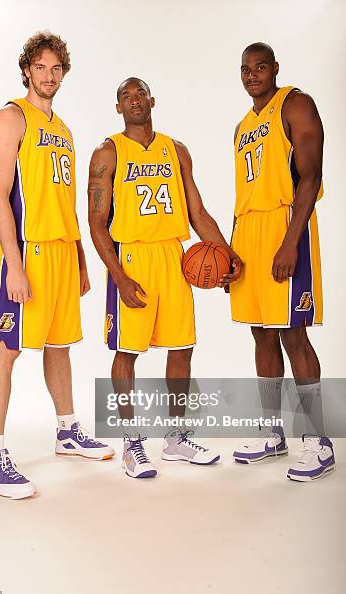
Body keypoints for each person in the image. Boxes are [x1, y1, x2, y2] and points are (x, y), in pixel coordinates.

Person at [0, 31, 114, 500]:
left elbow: (67, 203)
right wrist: (14, 266)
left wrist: (78, 258)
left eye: (57, 68)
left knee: (60, 346)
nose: (49, 75)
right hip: (28, 251)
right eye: (41, 67)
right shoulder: (12, 117)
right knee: (7, 346)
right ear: (27, 70)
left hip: (61, 251)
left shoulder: (64, 130)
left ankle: (67, 431)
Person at [88, 77, 242, 478]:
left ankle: (175, 438)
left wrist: (226, 254)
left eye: (140, 93)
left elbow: (198, 213)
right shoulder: (107, 152)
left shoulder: (177, 150)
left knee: (182, 348)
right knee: (127, 352)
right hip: (133, 257)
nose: (135, 100)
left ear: (152, 100)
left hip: (173, 255)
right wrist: (119, 277)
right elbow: (96, 222)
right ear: (118, 107)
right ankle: (131, 442)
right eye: (126, 95)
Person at [227, 42, 335, 481]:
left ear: (275, 69)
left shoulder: (296, 103)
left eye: (260, 67)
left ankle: (318, 440)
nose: (252, 74)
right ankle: (272, 433)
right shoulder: (242, 126)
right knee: (262, 336)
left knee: (293, 334)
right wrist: (233, 251)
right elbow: (245, 194)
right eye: (246, 69)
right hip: (249, 233)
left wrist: (291, 242)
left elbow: (310, 177)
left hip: (286, 225)